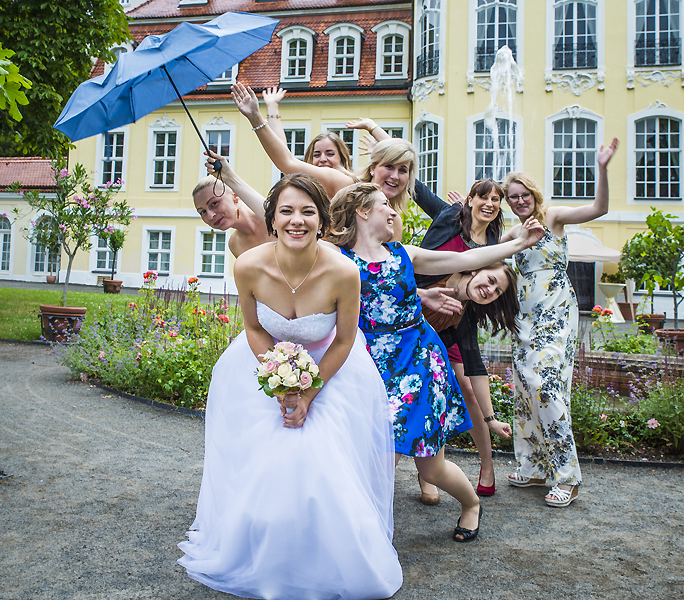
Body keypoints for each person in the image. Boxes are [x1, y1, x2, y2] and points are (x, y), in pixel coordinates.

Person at [178, 174, 402, 599]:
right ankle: (262, 546)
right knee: (265, 456)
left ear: (322, 220)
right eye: (286, 211)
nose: (296, 220)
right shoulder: (248, 266)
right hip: (264, 362)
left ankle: (330, 553)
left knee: (320, 456)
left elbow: (344, 340)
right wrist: (280, 382)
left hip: (332, 367)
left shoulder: (343, 272)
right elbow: (253, 327)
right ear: (273, 219)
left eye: (307, 212)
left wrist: (309, 391)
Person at [328, 182, 542, 542]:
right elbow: (286, 231)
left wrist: (518, 243)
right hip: (366, 364)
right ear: (362, 213)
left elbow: (464, 260)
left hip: (418, 363)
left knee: (416, 460)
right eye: (384, 205)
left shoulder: (404, 254)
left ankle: (470, 504)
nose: (393, 210)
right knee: (381, 453)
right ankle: (356, 533)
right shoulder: (337, 258)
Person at [348, 117, 510, 502]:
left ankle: (481, 468)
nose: (489, 203)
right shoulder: (445, 215)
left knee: (468, 384)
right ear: (469, 199)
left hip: (453, 314)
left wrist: (517, 243)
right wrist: (375, 129)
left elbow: (492, 273)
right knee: (384, 422)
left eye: (496, 199)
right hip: (412, 307)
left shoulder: (492, 241)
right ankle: (421, 476)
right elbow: (403, 175)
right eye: (482, 196)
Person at [500, 136, 619, 508]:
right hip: (526, 317)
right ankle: (534, 466)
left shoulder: (552, 217)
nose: (519, 201)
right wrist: (463, 211)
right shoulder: (512, 234)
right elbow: (478, 254)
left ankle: (567, 476)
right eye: (512, 197)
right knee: (524, 385)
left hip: (558, 311)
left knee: (546, 384)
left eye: (523, 195)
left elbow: (599, 208)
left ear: (534, 195)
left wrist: (601, 167)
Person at [230, 82, 357, 199]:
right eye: (316, 154)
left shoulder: (343, 180)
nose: (323, 159)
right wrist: (272, 106)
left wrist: (255, 117)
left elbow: (286, 161)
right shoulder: (308, 185)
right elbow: (282, 152)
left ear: (343, 158)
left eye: (330, 153)